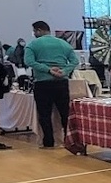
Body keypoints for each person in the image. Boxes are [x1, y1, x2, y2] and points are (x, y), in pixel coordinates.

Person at [26, 20, 79, 148]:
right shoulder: (64, 44)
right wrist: (64, 71)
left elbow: (29, 62)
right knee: (64, 113)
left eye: (34, 31)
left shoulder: (32, 45)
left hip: (42, 83)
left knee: (44, 114)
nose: (34, 33)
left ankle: (48, 142)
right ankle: (69, 140)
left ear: (38, 30)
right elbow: (74, 61)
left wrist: (47, 69)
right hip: (61, 82)